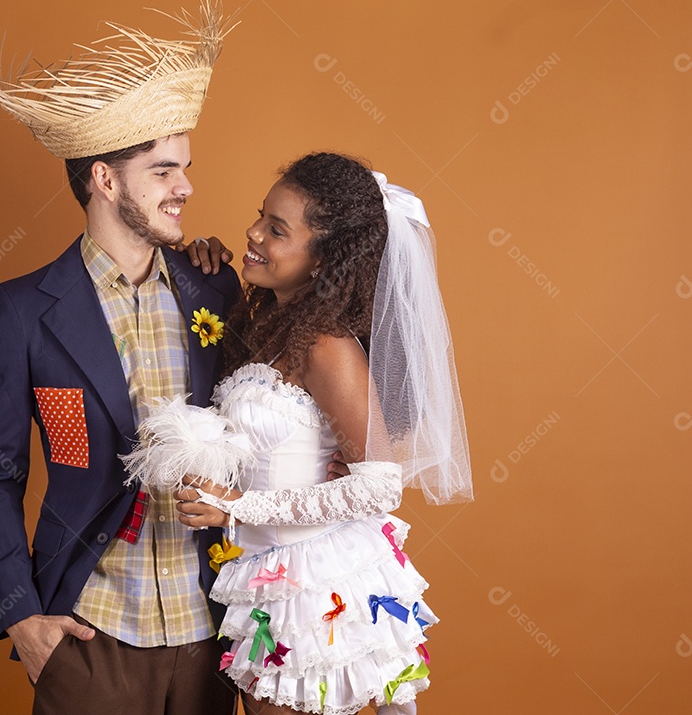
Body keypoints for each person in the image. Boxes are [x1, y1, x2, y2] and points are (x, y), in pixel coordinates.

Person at [0, 3, 270, 715]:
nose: (184, 187)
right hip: (89, 637)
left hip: (209, 634)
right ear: (105, 179)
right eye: (163, 171)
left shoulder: (212, 284)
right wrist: (23, 620)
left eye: (185, 169)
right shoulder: (22, 310)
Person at [170, 153, 474, 715]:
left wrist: (240, 506)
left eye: (277, 230)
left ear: (322, 261)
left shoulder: (326, 346)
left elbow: (381, 487)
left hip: (312, 582)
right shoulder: (269, 322)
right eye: (261, 216)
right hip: (263, 574)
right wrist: (198, 264)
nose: (253, 233)